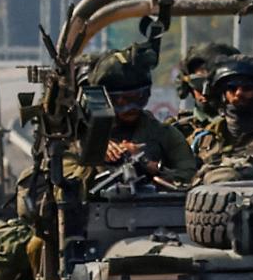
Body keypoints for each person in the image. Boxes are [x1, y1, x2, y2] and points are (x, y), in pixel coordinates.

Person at [70, 43, 198, 184]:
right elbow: (66, 185)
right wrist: (95, 155)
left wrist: (146, 164)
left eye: (138, 97)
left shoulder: (164, 134)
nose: (131, 107)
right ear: (104, 99)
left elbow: (189, 176)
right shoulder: (76, 138)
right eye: (121, 100)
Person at [170, 41, 240, 139]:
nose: (205, 92)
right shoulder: (173, 133)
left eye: (214, 84)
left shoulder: (249, 131)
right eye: (198, 83)